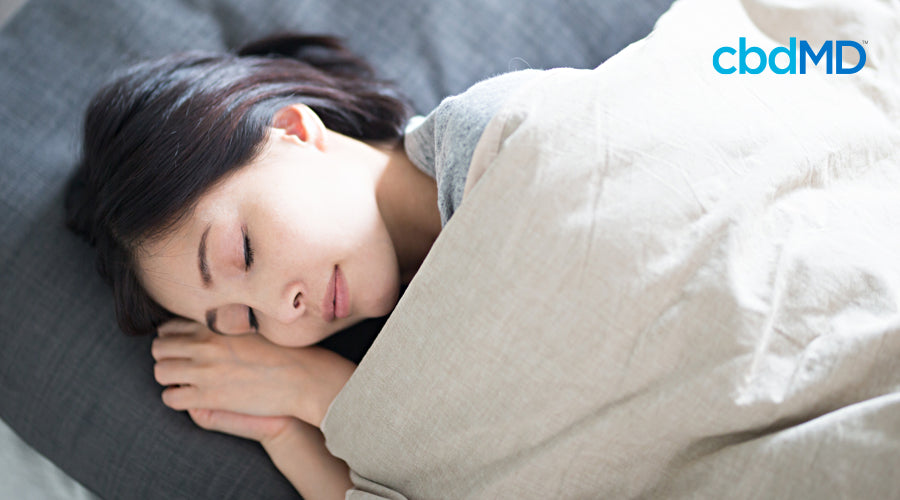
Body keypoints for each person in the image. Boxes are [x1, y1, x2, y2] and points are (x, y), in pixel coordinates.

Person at [65, 33, 537, 499]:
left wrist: (318, 390)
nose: (283, 311)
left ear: (292, 132)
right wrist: (286, 429)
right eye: (248, 320)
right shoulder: (401, 357)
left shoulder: (502, 135)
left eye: (245, 252)